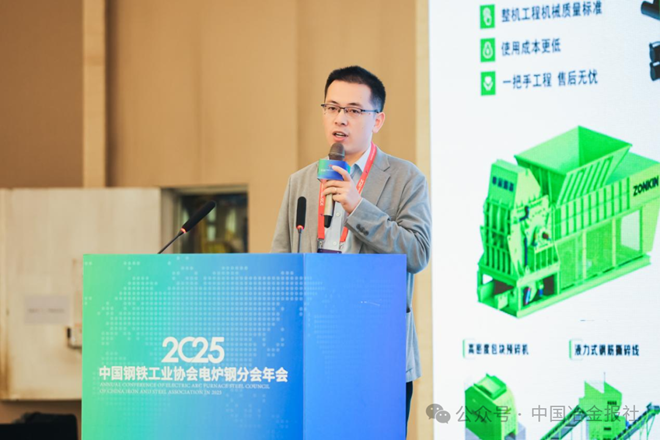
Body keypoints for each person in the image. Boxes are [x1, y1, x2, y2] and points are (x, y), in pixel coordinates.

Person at [270, 65, 431, 435]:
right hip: (315, 355)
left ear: (378, 120)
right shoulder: (302, 181)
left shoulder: (405, 178)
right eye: (332, 108)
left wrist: (358, 207)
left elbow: (418, 252)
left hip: (377, 357)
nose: (340, 119)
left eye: (354, 110)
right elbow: (281, 261)